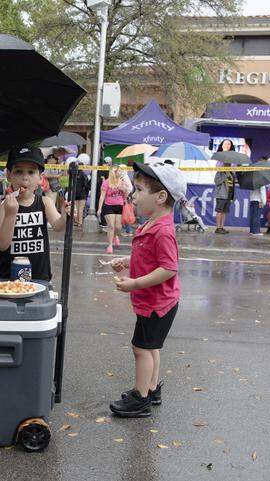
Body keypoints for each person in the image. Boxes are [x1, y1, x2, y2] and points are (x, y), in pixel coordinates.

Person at [107, 162, 186, 417]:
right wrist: (128, 262)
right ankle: (151, 389)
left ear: (161, 197)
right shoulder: (151, 224)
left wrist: (135, 283)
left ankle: (140, 399)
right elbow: (148, 257)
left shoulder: (162, 231)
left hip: (157, 303)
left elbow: (168, 268)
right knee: (152, 347)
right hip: (155, 302)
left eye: (139, 190)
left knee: (141, 348)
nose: (133, 195)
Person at [0, 146, 69, 281]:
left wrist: (64, 214)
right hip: (7, 279)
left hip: (40, 278)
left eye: (31, 172)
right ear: (9, 175)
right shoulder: (2, 206)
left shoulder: (45, 202)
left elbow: (58, 226)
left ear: (40, 178)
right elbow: (2, 245)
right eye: (19, 171)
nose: (25, 178)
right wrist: (11, 214)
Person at [98, 160, 130, 253]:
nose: (120, 172)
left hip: (119, 206)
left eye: (120, 171)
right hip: (109, 206)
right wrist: (99, 208)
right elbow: (102, 196)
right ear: (113, 172)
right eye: (118, 171)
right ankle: (110, 245)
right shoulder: (106, 182)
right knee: (111, 226)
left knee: (118, 227)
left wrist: (123, 188)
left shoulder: (122, 181)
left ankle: (116, 236)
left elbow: (127, 195)